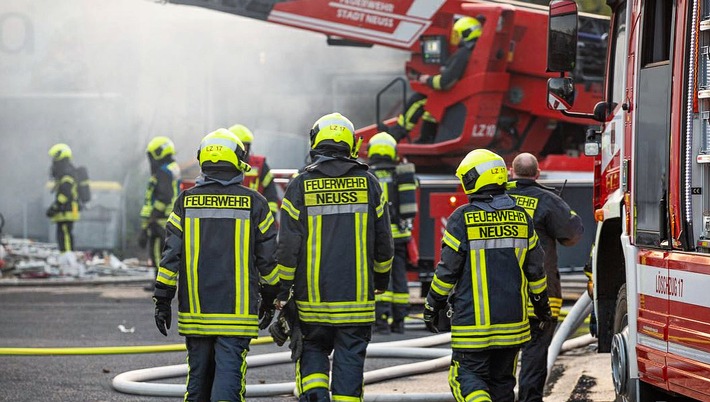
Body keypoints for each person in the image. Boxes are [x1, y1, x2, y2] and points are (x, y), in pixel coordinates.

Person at [152, 128, 280, 401]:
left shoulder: (185, 202)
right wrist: (269, 299)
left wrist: (162, 299)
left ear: (203, 161)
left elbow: (169, 257)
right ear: (236, 162)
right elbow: (268, 261)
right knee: (229, 382)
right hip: (238, 315)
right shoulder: (255, 203)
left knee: (197, 383)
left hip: (196, 313)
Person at [275, 112, 394, 402]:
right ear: (350, 144)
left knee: (312, 352)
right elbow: (384, 243)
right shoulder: (369, 183)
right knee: (350, 362)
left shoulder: (300, 184)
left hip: (312, 301)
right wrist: (380, 280)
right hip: (357, 301)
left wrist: (282, 290)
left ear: (316, 141)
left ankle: (316, 395)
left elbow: (288, 245)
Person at [423, 148, 552, 402]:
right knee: (502, 385)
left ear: (473, 179)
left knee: (464, 379)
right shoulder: (521, 218)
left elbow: (446, 272)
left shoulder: (462, 219)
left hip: (473, 328)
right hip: (513, 326)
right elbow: (536, 272)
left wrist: (432, 306)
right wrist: (542, 307)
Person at [507, 152, 585, 402]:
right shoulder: (548, 200)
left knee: (502, 353)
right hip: (542, 291)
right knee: (535, 352)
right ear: (538, 174)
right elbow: (572, 235)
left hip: (501, 292)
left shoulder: (496, 198)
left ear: (511, 171)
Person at [388, 16, 482, 143]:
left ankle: (396, 134)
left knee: (418, 99)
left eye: (457, 34)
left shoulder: (462, 54)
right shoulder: (473, 51)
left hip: (454, 95)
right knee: (431, 108)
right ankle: (426, 138)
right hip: (460, 95)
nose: (456, 37)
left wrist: (426, 79)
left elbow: (444, 82)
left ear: (465, 33)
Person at [367, 132, 419, 334]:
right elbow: (409, 205)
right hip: (399, 236)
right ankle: (399, 321)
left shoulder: (367, 174)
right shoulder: (400, 174)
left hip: (377, 238)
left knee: (379, 276)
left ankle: (380, 320)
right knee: (399, 277)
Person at [139, 136, 181, 290]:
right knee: (167, 252)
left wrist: (151, 219)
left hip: (160, 220)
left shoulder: (163, 172)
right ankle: (165, 281)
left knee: (158, 251)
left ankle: (161, 282)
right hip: (169, 218)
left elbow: (164, 197)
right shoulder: (172, 168)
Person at [228, 124, 281, 215]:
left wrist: (270, 216)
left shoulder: (259, 165)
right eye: (238, 146)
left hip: (255, 218)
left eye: (244, 145)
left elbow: (271, 194)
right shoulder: (221, 167)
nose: (242, 150)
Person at [46, 143, 80, 253]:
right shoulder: (66, 171)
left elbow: (66, 193)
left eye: (55, 157)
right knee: (62, 234)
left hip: (67, 209)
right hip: (65, 210)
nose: (53, 161)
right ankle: (66, 257)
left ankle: (68, 258)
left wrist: (55, 207)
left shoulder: (67, 172)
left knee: (65, 235)